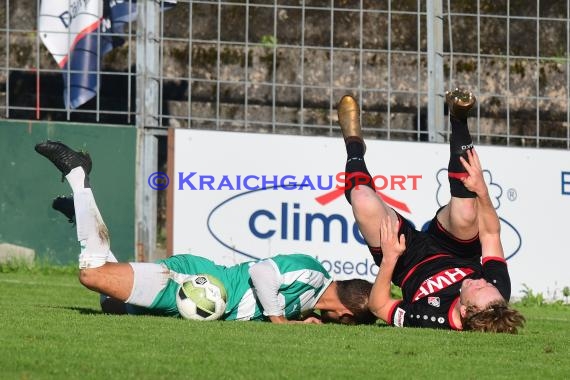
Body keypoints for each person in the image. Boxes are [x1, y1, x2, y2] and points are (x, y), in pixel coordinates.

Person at [35, 141, 376, 325]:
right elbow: (260, 271)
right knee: (92, 275)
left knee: (111, 304)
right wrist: (279, 320)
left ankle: (81, 212)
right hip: (202, 283)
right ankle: (79, 174)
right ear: (344, 315)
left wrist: (295, 321)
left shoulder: (307, 306)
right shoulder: (314, 274)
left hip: (209, 303)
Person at [336, 89, 525, 333]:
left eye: (478, 288)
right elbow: (490, 234)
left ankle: (353, 145)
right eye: (485, 284)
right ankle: (458, 117)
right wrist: (482, 191)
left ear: (465, 311)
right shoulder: (496, 294)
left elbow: (379, 306)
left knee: (362, 199)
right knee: (468, 210)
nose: (481, 280)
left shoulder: (431, 318)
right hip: (455, 247)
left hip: (407, 258)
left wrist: (390, 259)